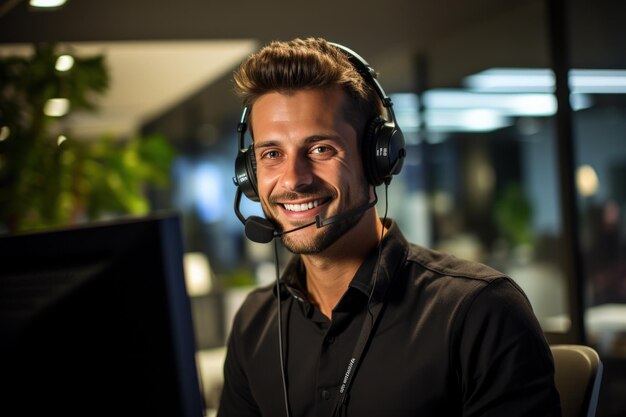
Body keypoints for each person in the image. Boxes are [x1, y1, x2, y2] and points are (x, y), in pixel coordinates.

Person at [219, 37, 561, 417]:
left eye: (320, 149)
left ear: (377, 158)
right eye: (271, 154)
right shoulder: (255, 323)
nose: (293, 179)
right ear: (249, 175)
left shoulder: (479, 312)